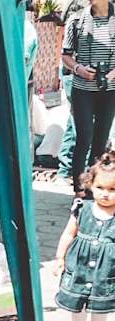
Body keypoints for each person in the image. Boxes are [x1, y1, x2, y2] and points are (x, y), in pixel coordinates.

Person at [55, 151, 115, 321]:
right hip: (79, 263)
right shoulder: (82, 207)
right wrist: (60, 257)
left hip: (107, 268)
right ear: (90, 184)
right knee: (77, 299)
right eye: (100, 187)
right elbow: (68, 234)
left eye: (112, 189)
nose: (105, 193)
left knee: (102, 301)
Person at [61, 0, 115, 195]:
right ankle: (78, 190)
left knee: (101, 141)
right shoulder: (77, 20)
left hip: (109, 90)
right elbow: (65, 56)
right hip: (82, 88)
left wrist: (110, 74)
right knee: (83, 138)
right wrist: (79, 69)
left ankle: (95, 188)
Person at [57, 0, 90, 183]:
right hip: (77, 77)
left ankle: (64, 170)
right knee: (82, 130)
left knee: (73, 123)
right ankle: (81, 177)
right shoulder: (80, 15)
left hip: (72, 74)